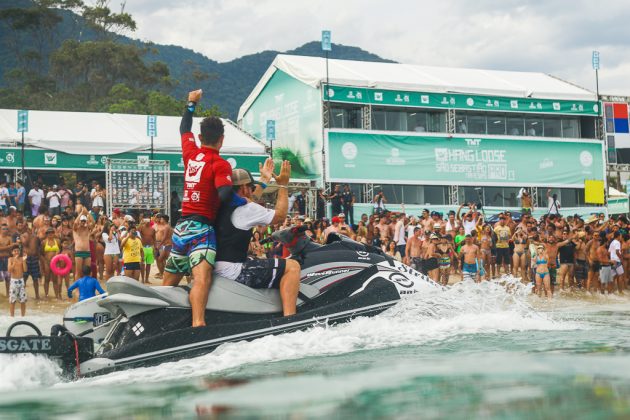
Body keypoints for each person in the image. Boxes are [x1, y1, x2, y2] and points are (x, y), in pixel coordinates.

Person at [162, 89, 244, 328]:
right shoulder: (220, 163)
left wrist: (191, 104)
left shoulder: (191, 154)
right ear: (222, 140)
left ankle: (151, 317)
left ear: (200, 137)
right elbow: (226, 194)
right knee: (202, 279)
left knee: (169, 281)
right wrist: (244, 201)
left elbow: (183, 129)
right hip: (201, 231)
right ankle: (199, 325)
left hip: (181, 228)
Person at [214, 161, 302, 317]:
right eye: (251, 187)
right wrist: (283, 185)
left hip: (216, 267)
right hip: (233, 271)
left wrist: (264, 181)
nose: (252, 191)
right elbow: (280, 216)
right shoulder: (245, 209)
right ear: (244, 188)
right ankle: (290, 318)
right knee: (292, 267)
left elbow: (250, 200)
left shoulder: (222, 204)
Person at [73, 207, 93, 281]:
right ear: (79, 221)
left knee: (87, 272)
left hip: (87, 252)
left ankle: (86, 287)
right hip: (79, 252)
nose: (83, 222)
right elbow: (75, 223)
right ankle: (77, 289)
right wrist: (81, 213)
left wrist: (87, 213)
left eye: (84, 221)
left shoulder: (87, 229)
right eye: (81, 221)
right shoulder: (76, 229)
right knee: (78, 272)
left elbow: (93, 222)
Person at [8, 245, 27, 316]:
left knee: (23, 300)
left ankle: (23, 316)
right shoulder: (10, 259)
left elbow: (25, 270)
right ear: (12, 252)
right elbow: (9, 270)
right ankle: (12, 316)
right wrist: (14, 262)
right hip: (13, 281)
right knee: (12, 300)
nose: (16, 252)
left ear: (19, 252)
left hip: (21, 281)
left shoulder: (22, 259)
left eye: (17, 251)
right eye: (14, 251)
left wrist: (24, 261)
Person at [154, 214, 173, 279]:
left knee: (161, 259)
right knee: (161, 259)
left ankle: (165, 274)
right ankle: (163, 274)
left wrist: (159, 245)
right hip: (165, 245)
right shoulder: (167, 226)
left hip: (166, 245)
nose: (160, 220)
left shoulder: (166, 227)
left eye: (161, 219)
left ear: (164, 220)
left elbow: (165, 237)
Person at [139, 218, 156, 284]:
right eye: (145, 221)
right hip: (143, 247)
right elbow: (137, 231)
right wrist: (141, 223)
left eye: (148, 221)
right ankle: (142, 279)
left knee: (148, 264)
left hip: (150, 247)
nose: (146, 222)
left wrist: (155, 247)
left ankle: (146, 279)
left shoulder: (152, 229)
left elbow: (154, 238)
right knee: (142, 264)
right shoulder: (142, 228)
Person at [0, 224, 12, 296]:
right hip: (0, 259)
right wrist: (10, 246)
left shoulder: (9, 238)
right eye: (3, 229)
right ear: (0, 230)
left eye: (6, 229)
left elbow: (11, 250)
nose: (5, 230)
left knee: (8, 278)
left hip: (7, 259)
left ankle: (8, 294)